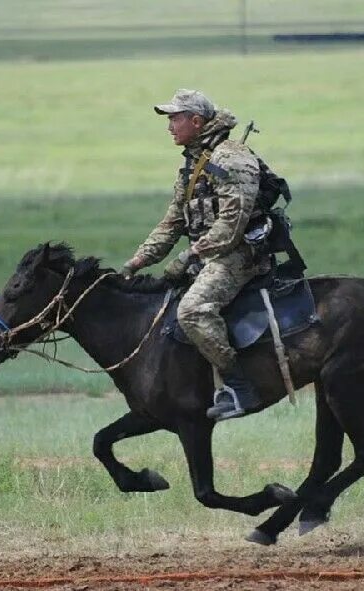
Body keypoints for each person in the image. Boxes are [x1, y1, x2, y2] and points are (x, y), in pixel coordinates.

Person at [121, 89, 270, 421]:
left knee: (192, 311)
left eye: (175, 118)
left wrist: (188, 256)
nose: (170, 126)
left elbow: (231, 226)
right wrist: (136, 262)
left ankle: (239, 387)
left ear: (196, 121)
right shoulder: (192, 162)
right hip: (208, 255)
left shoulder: (231, 158)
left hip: (238, 254)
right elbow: (173, 222)